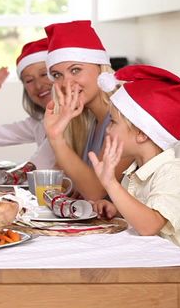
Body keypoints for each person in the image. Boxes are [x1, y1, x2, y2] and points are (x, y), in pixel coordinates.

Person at [88, 65, 180, 262]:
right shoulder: (136, 171)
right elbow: (140, 213)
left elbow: (149, 225)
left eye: (113, 122)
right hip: (157, 269)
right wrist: (116, 209)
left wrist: (110, 183)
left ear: (142, 133)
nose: (107, 130)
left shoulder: (173, 173)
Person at [42, 20, 133, 201]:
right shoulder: (87, 120)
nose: (67, 84)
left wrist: (55, 137)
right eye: (58, 75)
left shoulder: (124, 117)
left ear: (101, 70)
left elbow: (95, 191)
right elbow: (67, 180)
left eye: (75, 70)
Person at [0, 37, 55, 169]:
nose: (38, 85)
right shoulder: (38, 122)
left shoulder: (78, 117)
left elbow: (37, 165)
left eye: (44, 74)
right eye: (29, 80)